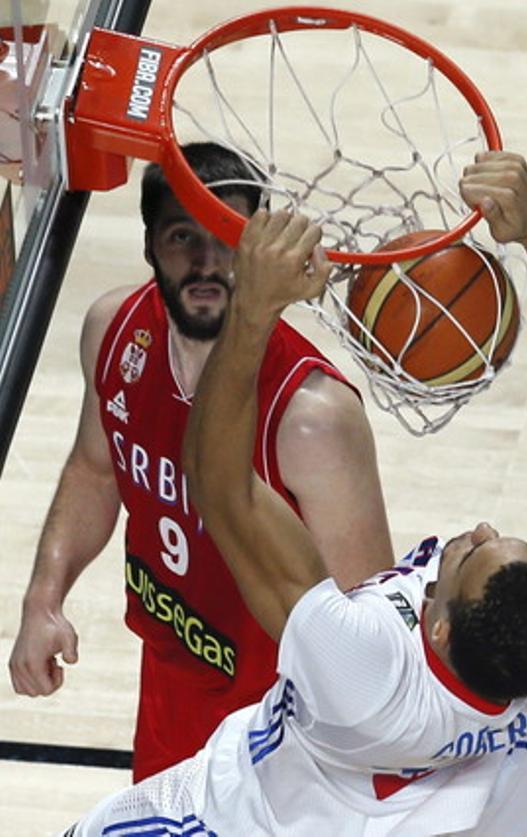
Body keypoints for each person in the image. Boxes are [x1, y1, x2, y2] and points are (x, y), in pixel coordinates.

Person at [61, 151, 527, 836]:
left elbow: (220, 483)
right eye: (502, 539)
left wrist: (255, 311)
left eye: (472, 554)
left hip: (250, 815)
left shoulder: (368, 674)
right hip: (468, 788)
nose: (477, 528)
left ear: (435, 628)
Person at [8, 142, 394, 782]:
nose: (206, 262)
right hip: (172, 682)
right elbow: (95, 469)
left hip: (283, 728)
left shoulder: (311, 416)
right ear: (149, 247)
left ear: (257, 249)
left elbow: (369, 620)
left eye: (226, 235)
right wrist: (44, 598)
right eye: (183, 236)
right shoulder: (113, 329)